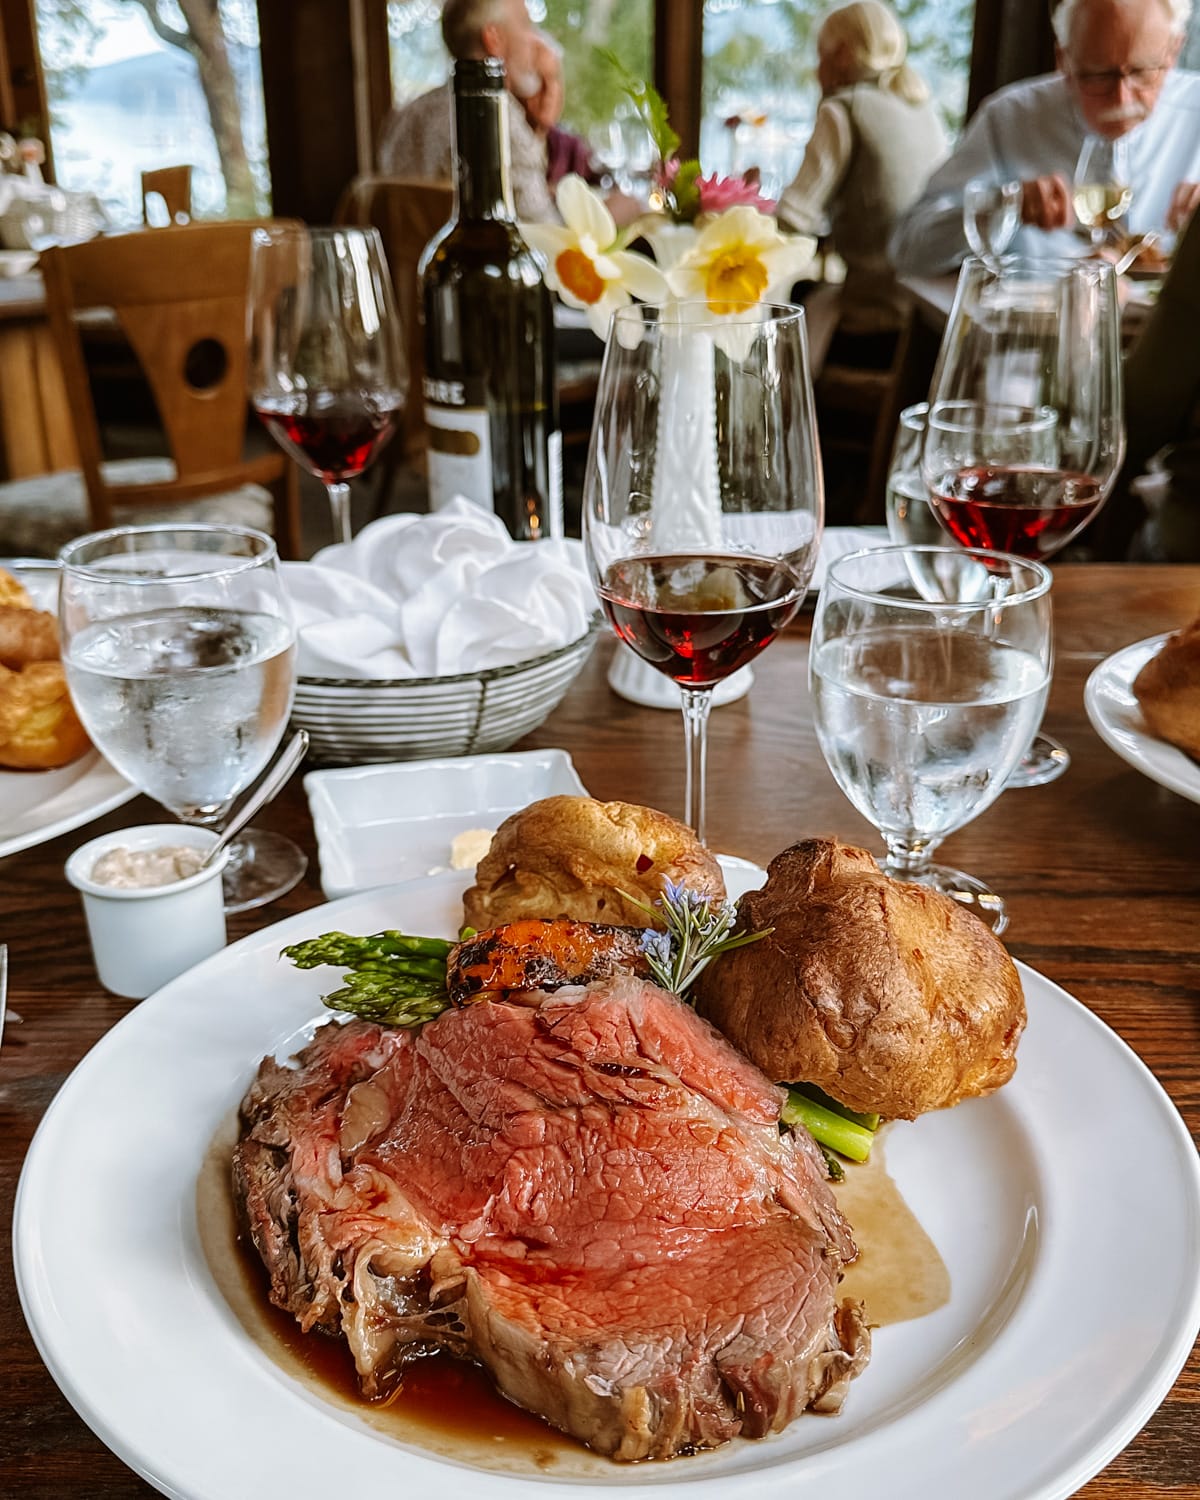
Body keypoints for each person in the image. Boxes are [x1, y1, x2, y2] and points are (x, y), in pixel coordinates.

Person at [890, 0, 1200, 276]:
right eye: (1097, 75)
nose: (1121, 98)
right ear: (1063, 60)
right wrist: (1002, 208)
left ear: (1173, 51)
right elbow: (908, 249)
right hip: (1038, 334)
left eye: (1143, 71)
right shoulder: (1009, 117)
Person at [775, 0, 947, 363]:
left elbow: (793, 219)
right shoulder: (922, 108)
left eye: (819, 55)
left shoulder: (843, 109)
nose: (815, 69)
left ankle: (789, 409)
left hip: (874, 324)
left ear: (840, 54)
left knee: (786, 309)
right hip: (924, 322)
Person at [377, 0, 557, 223]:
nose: (535, 41)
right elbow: (543, 230)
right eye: (526, 25)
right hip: (481, 257)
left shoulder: (402, 119)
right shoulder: (499, 120)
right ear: (494, 38)